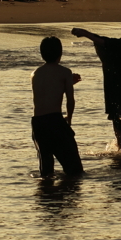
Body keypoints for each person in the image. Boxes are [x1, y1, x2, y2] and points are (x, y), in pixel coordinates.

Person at [71, 19, 121, 154]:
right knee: (119, 134)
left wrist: (85, 33)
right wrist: (87, 34)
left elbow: (102, 42)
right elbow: (102, 41)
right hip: (113, 93)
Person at [31, 36, 84, 178]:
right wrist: (69, 120)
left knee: (46, 171)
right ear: (60, 53)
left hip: (38, 123)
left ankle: (47, 197)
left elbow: (47, 91)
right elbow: (70, 101)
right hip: (55, 121)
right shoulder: (65, 72)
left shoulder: (35, 73)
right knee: (75, 170)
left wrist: (67, 83)